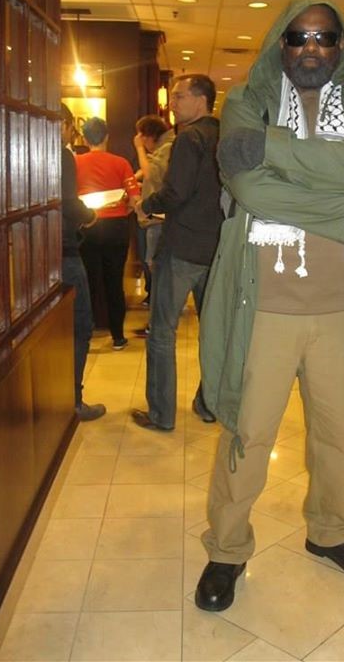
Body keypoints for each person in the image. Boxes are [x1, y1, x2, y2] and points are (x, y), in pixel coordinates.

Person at [195, 0, 344, 612]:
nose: (312, 48)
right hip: (263, 307)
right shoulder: (246, 102)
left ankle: (332, 532)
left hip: (340, 308)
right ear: (280, 44)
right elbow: (248, 187)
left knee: (337, 436)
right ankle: (227, 549)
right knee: (248, 435)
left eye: (324, 38)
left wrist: (273, 152)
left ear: (340, 46)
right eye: (299, 37)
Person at [131, 74, 224, 431]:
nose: (172, 103)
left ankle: (161, 414)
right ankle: (209, 404)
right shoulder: (225, 135)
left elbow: (176, 192)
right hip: (216, 248)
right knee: (214, 333)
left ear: (201, 100)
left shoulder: (189, 138)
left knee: (162, 332)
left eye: (179, 96)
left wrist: (145, 205)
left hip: (182, 246)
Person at [75, 117, 139, 350]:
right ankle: (118, 337)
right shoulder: (121, 163)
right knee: (114, 282)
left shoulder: (75, 163)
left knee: (89, 281)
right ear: (107, 137)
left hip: (87, 227)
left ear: (84, 139)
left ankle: (88, 334)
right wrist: (124, 209)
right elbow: (134, 199)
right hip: (116, 228)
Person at [60, 104, 106, 421]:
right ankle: (73, 401)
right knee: (80, 325)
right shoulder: (62, 154)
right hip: (65, 251)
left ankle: (55, 400)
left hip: (37, 251)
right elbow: (68, 202)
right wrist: (88, 216)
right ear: (63, 124)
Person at [133, 114, 176, 306]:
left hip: (158, 217)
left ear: (148, 135)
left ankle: (161, 303)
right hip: (158, 217)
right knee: (154, 262)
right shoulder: (166, 148)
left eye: (141, 137)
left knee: (154, 263)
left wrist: (139, 149)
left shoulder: (167, 148)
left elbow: (152, 174)